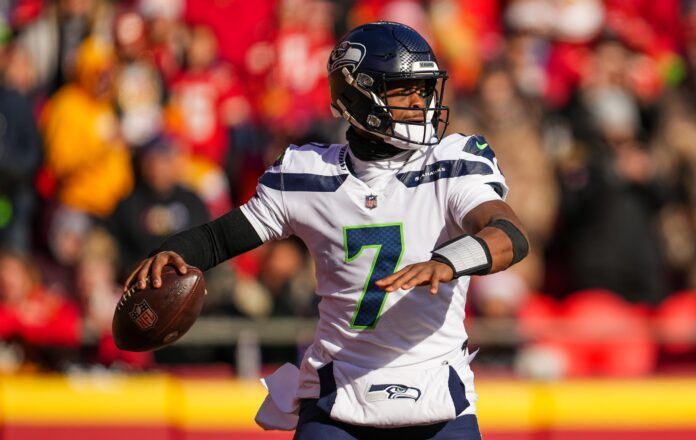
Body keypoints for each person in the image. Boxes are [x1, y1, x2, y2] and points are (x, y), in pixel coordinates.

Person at [125, 22, 528, 439]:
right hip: (340, 397)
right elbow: (218, 239)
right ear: (357, 93)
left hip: (438, 397)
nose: (419, 102)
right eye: (403, 89)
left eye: (424, 89)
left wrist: (448, 262)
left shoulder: (451, 163)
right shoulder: (307, 174)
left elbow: (509, 234)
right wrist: (174, 251)